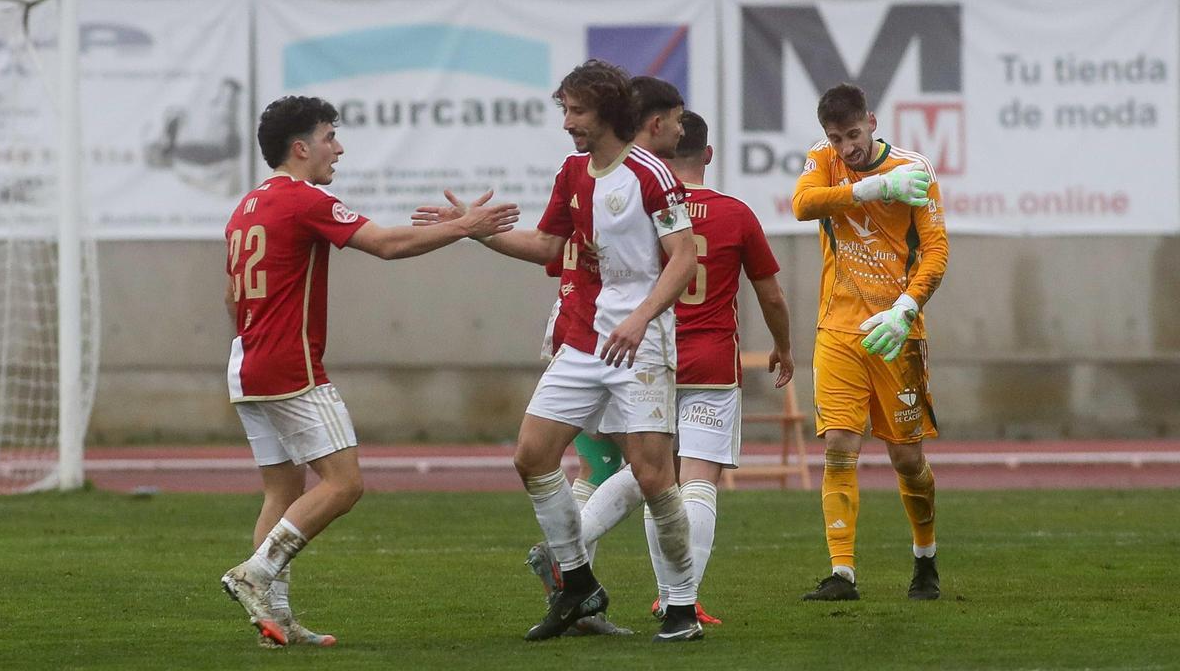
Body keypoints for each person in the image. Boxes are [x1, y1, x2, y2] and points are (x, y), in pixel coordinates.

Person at [418, 60, 702, 642]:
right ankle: (576, 584)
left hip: (642, 344)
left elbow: (684, 258)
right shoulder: (573, 172)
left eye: (577, 111)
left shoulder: (652, 175)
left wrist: (641, 318)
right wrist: (473, 229)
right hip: (584, 340)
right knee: (532, 455)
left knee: (653, 478)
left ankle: (681, 607)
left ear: (607, 111)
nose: (568, 123)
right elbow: (548, 243)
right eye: (565, 110)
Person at [220, 95, 518, 647]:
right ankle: (255, 575)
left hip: (247, 361)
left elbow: (230, 295)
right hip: (290, 365)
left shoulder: (247, 205)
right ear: (301, 147)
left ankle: (274, 620)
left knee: (282, 490)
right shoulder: (303, 199)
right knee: (345, 483)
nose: (339, 147)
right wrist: (467, 226)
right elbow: (385, 244)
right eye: (330, 136)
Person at [545, 108, 795, 625]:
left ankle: (570, 551)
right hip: (706, 362)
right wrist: (783, 345)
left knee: (643, 472)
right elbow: (770, 294)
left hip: (634, 356)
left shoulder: (634, 205)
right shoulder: (734, 213)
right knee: (695, 478)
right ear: (707, 154)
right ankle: (677, 597)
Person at [790, 83, 949, 602]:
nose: (846, 148)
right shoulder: (826, 161)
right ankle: (842, 574)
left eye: (853, 135)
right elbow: (802, 205)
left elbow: (936, 251)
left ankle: (925, 559)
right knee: (839, 445)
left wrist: (907, 308)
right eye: (836, 138)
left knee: (907, 460)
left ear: (873, 122)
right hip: (837, 330)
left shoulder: (914, 169)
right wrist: (870, 190)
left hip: (896, 333)